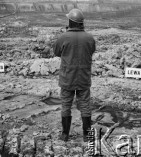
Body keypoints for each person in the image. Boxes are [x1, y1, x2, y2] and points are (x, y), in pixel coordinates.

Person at [53, 8, 96, 142]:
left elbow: (57, 52)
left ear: (70, 22)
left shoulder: (63, 37)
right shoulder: (89, 38)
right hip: (83, 77)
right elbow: (91, 51)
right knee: (85, 106)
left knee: (66, 105)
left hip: (67, 78)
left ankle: (65, 134)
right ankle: (87, 136)